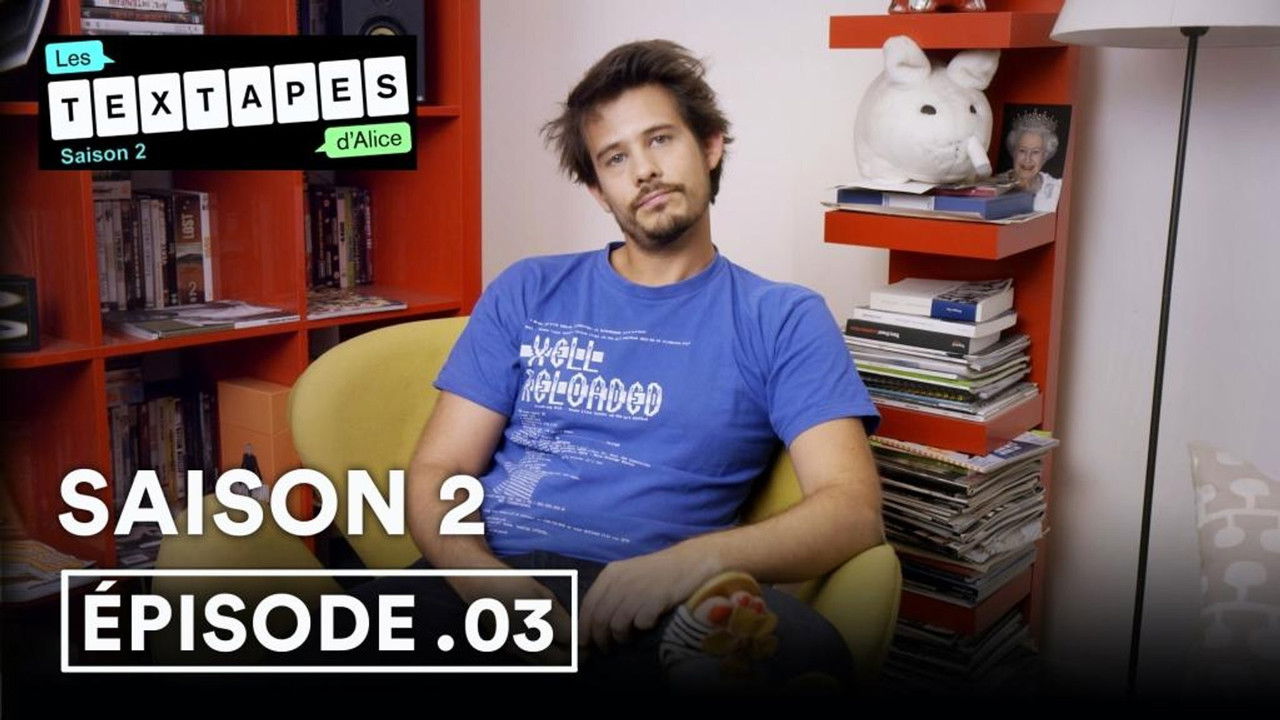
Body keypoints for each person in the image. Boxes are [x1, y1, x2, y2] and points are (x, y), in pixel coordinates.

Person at [367, 39, 884, 694]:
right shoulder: (528, 289)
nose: (644, 171)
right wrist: (479, 578)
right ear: (597, 189)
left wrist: (692, 563)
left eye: (661, 139)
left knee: (809, 653)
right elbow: (439, 469)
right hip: (495, 578)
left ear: (711, 146)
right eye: (616, 158)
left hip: (656, 599)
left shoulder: (781, 317)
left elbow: (852, 509)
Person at [1003, 109, 1062, 212]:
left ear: (1045, 155)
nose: (1028, 159)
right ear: (1014, 152)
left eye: (1035, 152)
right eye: (1022, 150)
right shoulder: (996, 185)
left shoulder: (1058, 188)